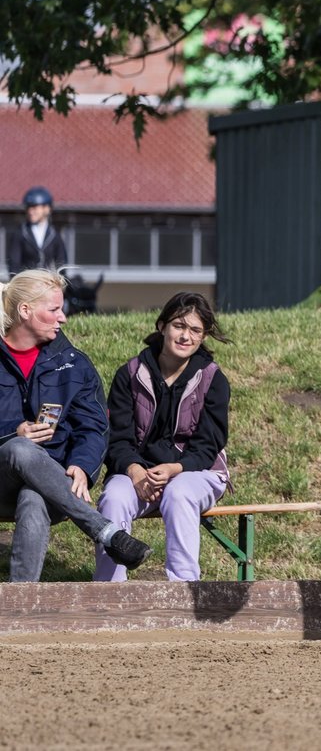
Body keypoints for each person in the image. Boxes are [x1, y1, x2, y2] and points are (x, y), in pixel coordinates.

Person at [0, 269, 151, 581]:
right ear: (25, 311)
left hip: (55, 483)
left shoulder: (74, 363)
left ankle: (19, 603)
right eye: (54, 309)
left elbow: (93, 427)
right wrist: (14, 430)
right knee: (20, 447)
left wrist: (82, 466)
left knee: (35, 495)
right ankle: (106, 532)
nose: (64, 317)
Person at [94, 292, 231, 582]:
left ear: (204, 335)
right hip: (137, 473)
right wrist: (134, 470)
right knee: (114, 497)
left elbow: (209, 444)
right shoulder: (129, 374)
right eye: (179, 326)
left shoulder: (212, 379)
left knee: (178, 492)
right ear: (162, 326)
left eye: (195, 330)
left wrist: (175, 469)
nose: (186, 336)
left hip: (196, 472)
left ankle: (183, 587)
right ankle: (108, 591)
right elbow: (116, 439)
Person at [6, 187, 68, 277]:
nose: (30, 212)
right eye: (28, 208)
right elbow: (14, 263)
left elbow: (62, 261)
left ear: (46, 208)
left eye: (34, 207)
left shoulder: (54, 234)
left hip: (48, 283)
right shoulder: (20, 233)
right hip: (27, 284)